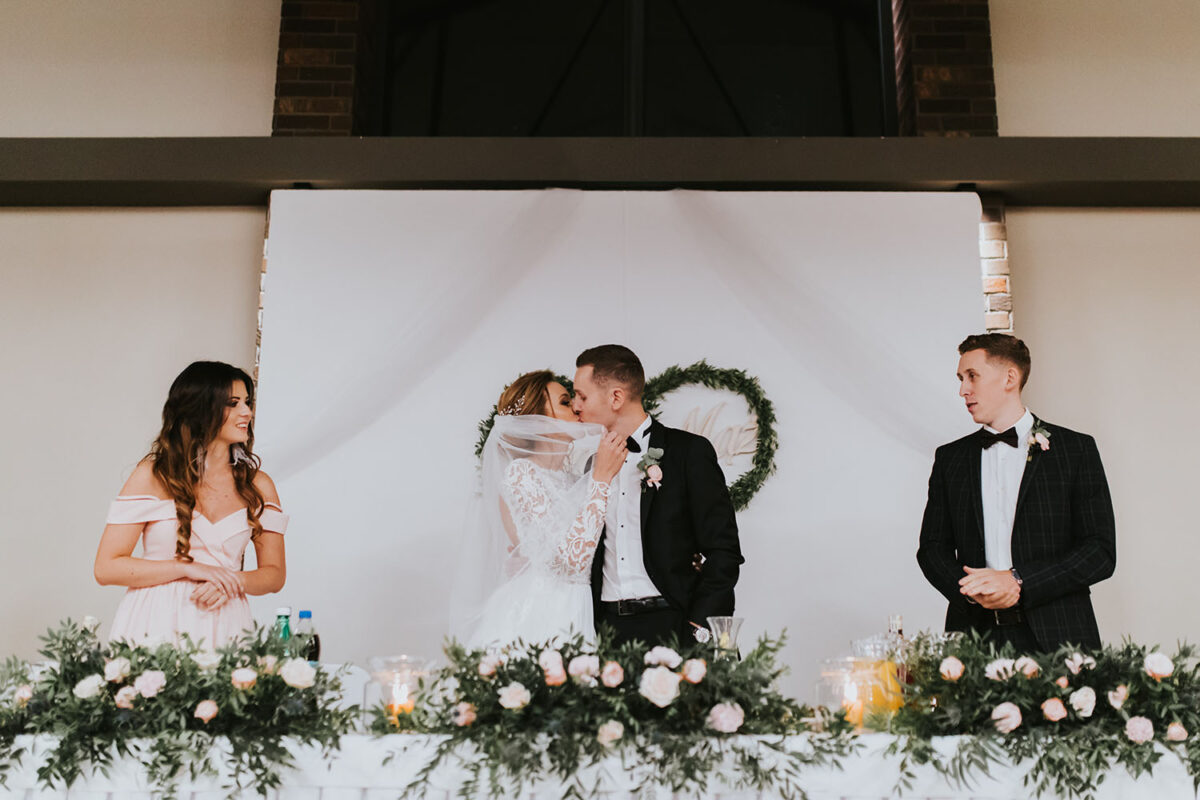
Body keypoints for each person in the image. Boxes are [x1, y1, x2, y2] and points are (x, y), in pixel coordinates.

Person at [917, 334, 1116, 652]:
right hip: (974, 639)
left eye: (972, 376)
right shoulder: (950, 458)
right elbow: (931, 549)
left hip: (1060, 638)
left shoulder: (1076, 450)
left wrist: (1019, 581)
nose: (963, 390)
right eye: (960, 379)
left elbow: (1099, 552)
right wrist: (972, 591)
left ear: (1009, 378)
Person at [94, 361, 288, 648]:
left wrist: (232, 581)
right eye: (233, 403)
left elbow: (274, 574)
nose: (247, 412)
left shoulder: (258, 484)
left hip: (226, 624)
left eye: (247, 402)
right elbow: (106, 568)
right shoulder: (152, 475)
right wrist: (188, 569)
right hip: (153, 624)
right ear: (200, 408)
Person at [572, 345, 743, 647]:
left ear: (616, 397)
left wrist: (698, 626)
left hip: (675, 623)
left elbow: (724, 550)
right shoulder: (591, 467)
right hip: (607, 633)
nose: (575, 406)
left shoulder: (688, 452)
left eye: (582, 396)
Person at [456, 370, 627, 647]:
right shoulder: (521, 474)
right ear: (538, 419)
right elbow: (571, 562)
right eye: (564, 402)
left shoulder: (571, 478)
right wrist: (602, 478)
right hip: (544, 610)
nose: (576, 407)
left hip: (579, 604)